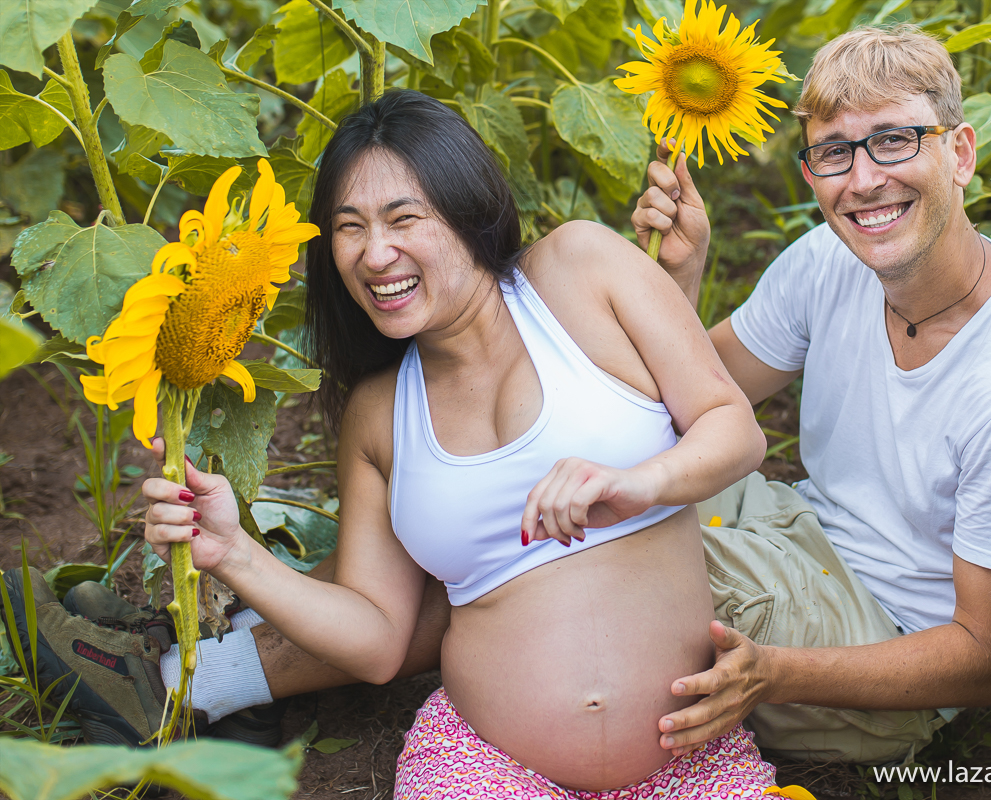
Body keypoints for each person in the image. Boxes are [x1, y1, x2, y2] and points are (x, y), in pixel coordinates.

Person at [6, 90, 777, 797]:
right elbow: (378, 638)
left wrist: (639, 482)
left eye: (405, 219)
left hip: (692, 761)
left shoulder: (580, 268)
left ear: (469, 210)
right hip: (488, 767)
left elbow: (732, 427)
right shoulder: (381, 413)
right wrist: (234, 551)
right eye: (349, 228)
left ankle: (193, 673)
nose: (375, 255)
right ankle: (186, 670)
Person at [628, 24, 991, 764]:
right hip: (798, 534)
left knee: (606, 548)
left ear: (960, 153)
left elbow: (989, 657)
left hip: (881, 651)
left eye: (894, 140)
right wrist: (682, 277)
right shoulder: (831, 258)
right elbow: (686, 404)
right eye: (834, 152)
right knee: (604, 471)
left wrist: (775, 676)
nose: (862, 180)